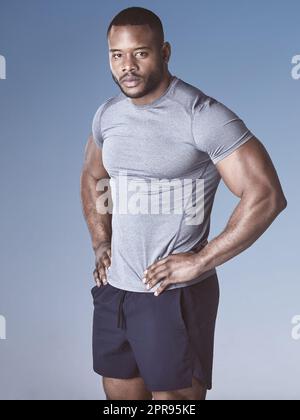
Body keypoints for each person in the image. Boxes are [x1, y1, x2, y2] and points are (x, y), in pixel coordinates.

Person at [80, 7, 287, 400]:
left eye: (140, 53)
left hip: (173, 296)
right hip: (116, 292)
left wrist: (202, 260)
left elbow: (266, 195)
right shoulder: (107, 116)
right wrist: (100, 241)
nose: (128, 66)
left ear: (165, 52)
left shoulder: (202, 116)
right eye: (117, 55)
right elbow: (93, 176)